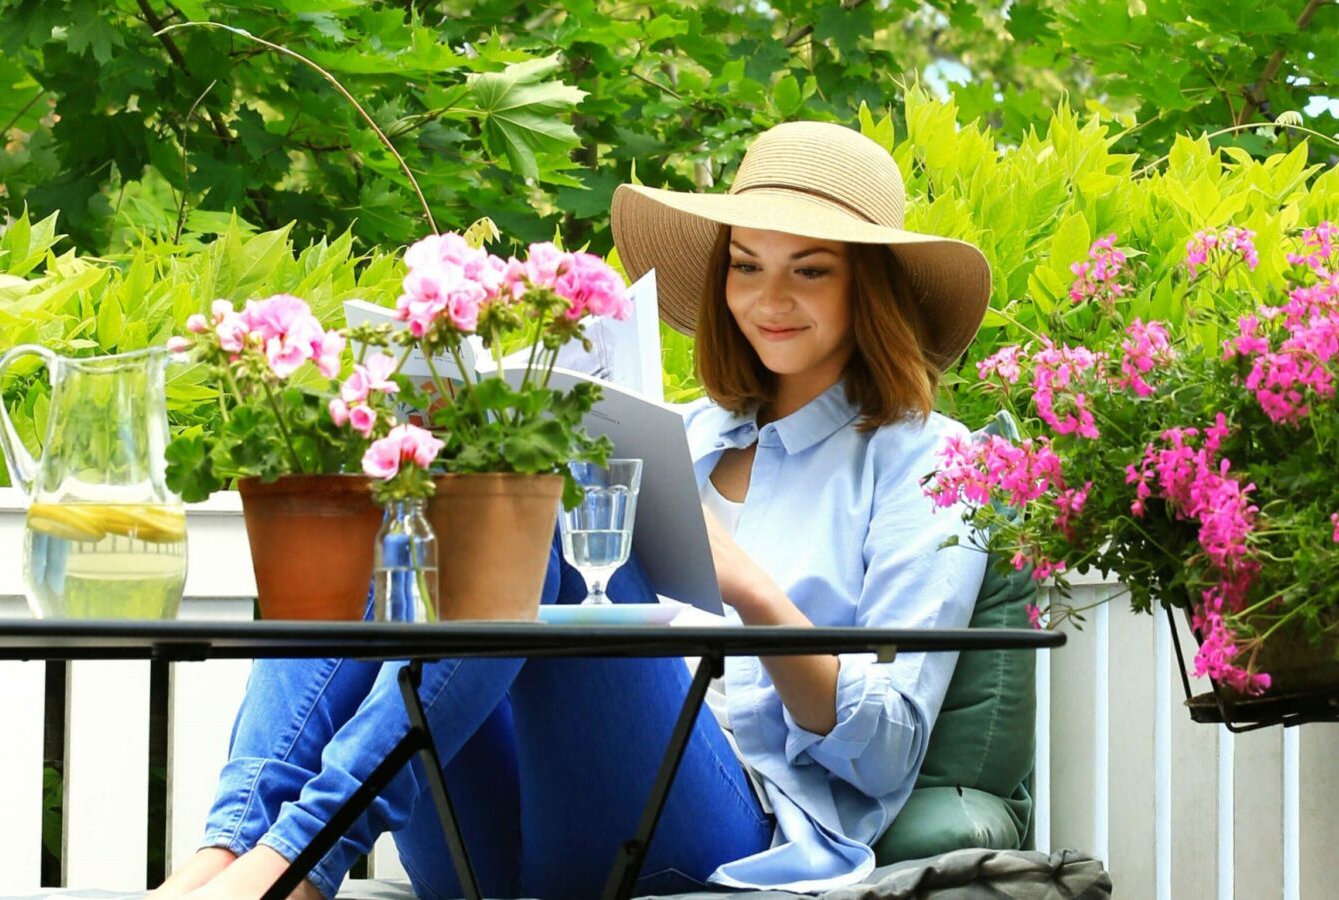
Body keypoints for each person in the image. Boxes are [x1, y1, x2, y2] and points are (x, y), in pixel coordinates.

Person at [154, 121, 993, 900]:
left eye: (809, 270)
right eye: (746, 266)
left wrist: (750, 591)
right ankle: (231, 848)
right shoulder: (680, 434)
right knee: (406, 499)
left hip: (727, 830)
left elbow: (887, 751)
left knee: (539, 491)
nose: (770, 299)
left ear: (869, 286)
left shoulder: (930, 463)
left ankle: (298, 859)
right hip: (497, 830)